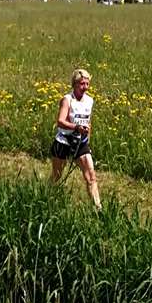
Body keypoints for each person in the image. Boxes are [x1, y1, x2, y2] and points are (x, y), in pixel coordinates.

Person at [50, 68, 101, 210]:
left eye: (87, 84)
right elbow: (60, 121)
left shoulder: (90, 101)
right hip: (64, 141)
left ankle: (98, 208)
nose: (85, 87)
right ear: (74, 84)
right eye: (82, 84)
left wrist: (87, 137)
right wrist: (76, 127)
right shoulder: (67, 100)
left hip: (81, 142)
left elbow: (88, 122)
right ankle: (47, 197)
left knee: (91, 176)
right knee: (57, 176)